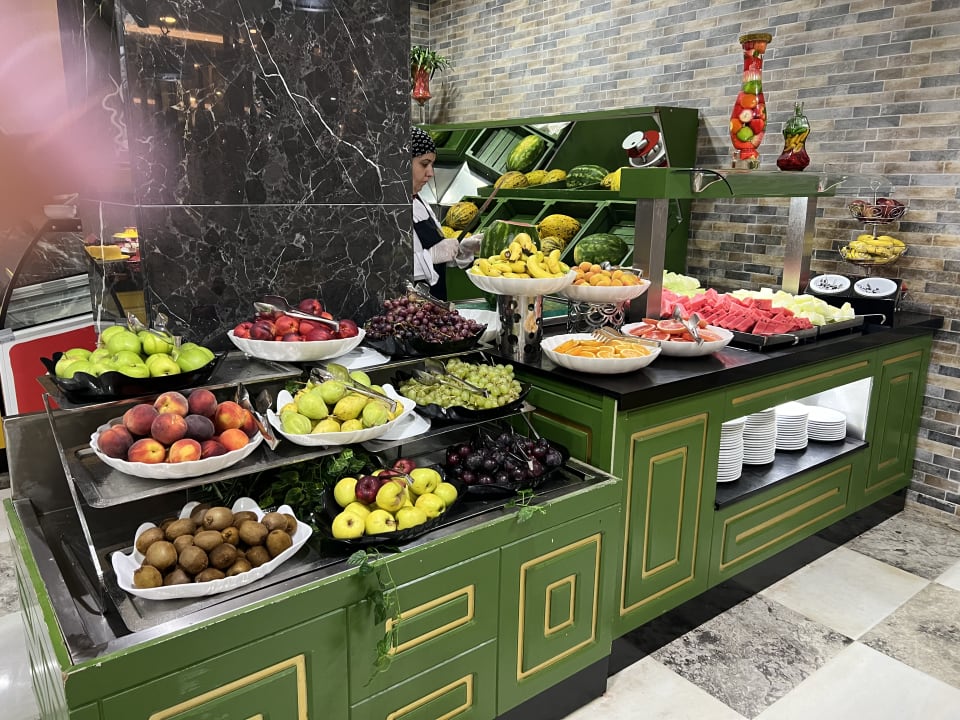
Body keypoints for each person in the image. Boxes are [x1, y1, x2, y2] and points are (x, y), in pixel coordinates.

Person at [411, 127, 481, 297]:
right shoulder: (382, 209)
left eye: (432, 165)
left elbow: (436, 254)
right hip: (406, 308)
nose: (430, 173)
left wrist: (460, 250)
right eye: (424, 164)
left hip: (434, 304)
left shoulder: (420, 201)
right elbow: (383, 271)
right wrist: (431, 256)